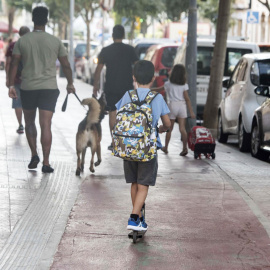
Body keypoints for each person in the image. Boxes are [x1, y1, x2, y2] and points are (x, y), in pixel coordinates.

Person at [8, 6, 75, 173]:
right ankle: (46, 162)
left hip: (28, 87)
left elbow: (14, 63)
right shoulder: (55, 41)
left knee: (29, 122)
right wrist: (70, 83)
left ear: (32, 20)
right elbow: (66, 65)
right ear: (47, 20)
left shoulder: (22, 41)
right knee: (46, 124)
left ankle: (33, 155)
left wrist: (10, 85)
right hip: (49, 88)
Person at [115, 60, 171, 231]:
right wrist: (162, 129)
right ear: (153, 78)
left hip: (128, 146)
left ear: (134, 78)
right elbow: (167, 123)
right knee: (143, 184)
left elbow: (119, 115)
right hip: (148, 148)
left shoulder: (127, 95)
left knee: (134, 182)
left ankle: (138, 217)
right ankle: (133, 218)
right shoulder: (157, 97)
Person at [93, 24, 138, 151]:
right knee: (126, 114)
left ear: (112, 35)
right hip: (126, 86)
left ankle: (114, 142)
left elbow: (98, 69)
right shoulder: (130, 50)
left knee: (113, 113)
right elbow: (137, 66)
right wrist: (138, 82)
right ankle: (123, 141)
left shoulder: (106, 50)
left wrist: (95, 86)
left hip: (111, 87)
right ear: (123, 35)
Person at [152, 64, 196, 156]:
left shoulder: (168, 84)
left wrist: (149, 89)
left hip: (172, 106)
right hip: (182, 106)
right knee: (182, 128)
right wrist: (191, 112)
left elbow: (158, 89)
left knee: (169, 128)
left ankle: (166, 147)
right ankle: (185, 148)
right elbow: (187, 98)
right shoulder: (184, 85)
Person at [5, 26, 30, 134]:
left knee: (17, 103)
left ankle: (20, 125)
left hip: (15, 79)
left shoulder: (13, 45)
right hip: (29, 80)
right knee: (28, 104)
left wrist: (8, 78)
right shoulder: (31, 46)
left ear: (19, 34)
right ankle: (29, 124)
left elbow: (9, 63)